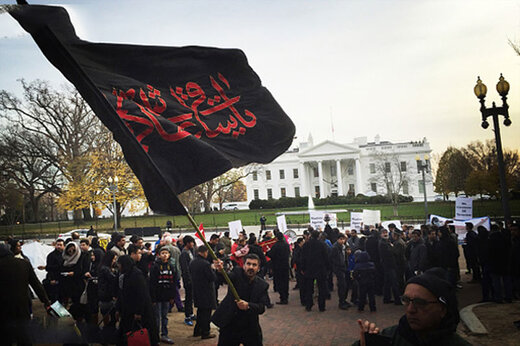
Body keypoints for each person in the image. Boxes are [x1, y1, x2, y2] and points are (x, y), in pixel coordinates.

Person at [354, 268, 471, 346]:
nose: (410, 310)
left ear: (442, 309)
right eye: (406, 300)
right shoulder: (389, 337)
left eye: (420, 303)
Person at [212, 253, 270, 346]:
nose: (251, 267)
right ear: (243, 266)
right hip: (231, 323)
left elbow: (261, 307)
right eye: (248, 264)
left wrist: (248, 306)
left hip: (249, 325)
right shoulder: (237, 274)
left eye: (254, 265)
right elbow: (226, 277)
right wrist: (220, 270)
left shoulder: (262, 285)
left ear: (258, 268)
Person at [0, 243, 51, 344]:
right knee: (24, 335)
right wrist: (46, 301)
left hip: (3, 307)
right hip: (22, 305)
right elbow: (36, 285)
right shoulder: (24, 263)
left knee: (5, 337)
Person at [117, 255, 158, 345]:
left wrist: (138, 312)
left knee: (139, 334)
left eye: (119, 264)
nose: (118, 266)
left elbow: (141, 295)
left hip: (139, 311)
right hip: (130, 310)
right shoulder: (127, 274)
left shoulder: (136, 275)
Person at [150, 247, 178, 344]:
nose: (165, 255)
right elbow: (152, 283)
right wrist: (153, 298)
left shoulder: (171, 266)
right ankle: (156, 335)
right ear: (158, 255)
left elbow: (173, 283)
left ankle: (164, 334)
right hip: (157, 296)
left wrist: (172, 296)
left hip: (167, 296)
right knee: (157, 317)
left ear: (169, 255)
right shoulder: (155, 267)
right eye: (162, 253)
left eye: (166, 253)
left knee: (165, 316)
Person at [190, 245, 218, 340]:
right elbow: (212, 278)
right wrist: (213, 269)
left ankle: (197, 330)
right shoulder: (205, 264)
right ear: (203, 252)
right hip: (206, 291)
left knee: (201, 311)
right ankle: (205, 332)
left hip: (197, 290)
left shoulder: (193, 262)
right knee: (206, 313)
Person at [301, 230, 330, 312]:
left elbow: (303, 258)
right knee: (322, 288)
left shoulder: (306, 245)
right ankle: (321, 306)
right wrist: (328, 268)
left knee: (309, 288)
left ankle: (309, 305)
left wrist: (303, 268)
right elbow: (326, 257)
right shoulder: (322, 244)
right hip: (320, 269)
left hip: (309, 269)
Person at [266, 231, 290, 304]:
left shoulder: (276, 245)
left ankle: (283, 297)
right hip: (285, 265)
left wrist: (267, 251)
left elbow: (270, 254)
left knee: (280, 282)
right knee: (285, 282)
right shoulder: (286, 245)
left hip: (278, 266)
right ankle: (286, 296)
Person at [379, 229, 402, 305]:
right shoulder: (383, 243)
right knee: (394, 282)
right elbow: (391, 252)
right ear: (380, 234)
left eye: (386, 232)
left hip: (387, 265)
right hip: (389, 265)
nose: (385, 234)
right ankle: (397, 300)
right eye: (383, 233)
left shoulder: (385, 242)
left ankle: (387, 298)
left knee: (387, 282)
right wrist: (392, 247)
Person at [40, 238, 65, 303]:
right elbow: (49, 268)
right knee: (55, 298)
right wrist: (51, 279)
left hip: (63, 279)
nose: (59, 246)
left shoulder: (65, 255)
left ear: (63, 246)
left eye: (60, 245)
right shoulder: (51, 256)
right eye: (57, 245)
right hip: (55, 278)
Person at [330, 233, 351, 309]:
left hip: (344, 266)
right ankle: (341, 302)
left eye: (343, 239)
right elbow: (334, 259)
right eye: (341, 239)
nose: (342, 241)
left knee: (345, 285)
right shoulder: (335, 248)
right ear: (338, 239)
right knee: (342, 285)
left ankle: (344, 300)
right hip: (339, 268)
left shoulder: (344, 246)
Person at [97, 251, 118, 328]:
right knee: (108, 314)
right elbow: (113, 279)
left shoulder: (105, 268)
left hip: (105, 294)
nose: (114, 261)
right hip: (106, 295)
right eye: (113, 259)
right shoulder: (105, 269)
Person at [179, 235, 196, 326]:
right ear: (187, 243)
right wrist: (188, 280)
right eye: (192, 242)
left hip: (193, 279)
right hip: (188, 280)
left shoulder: (190, 251)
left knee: (191, 297)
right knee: (188, 298)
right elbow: (185, 269)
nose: (193, 244)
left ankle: (191, 313)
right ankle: (187, 316)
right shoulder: (184, 254)